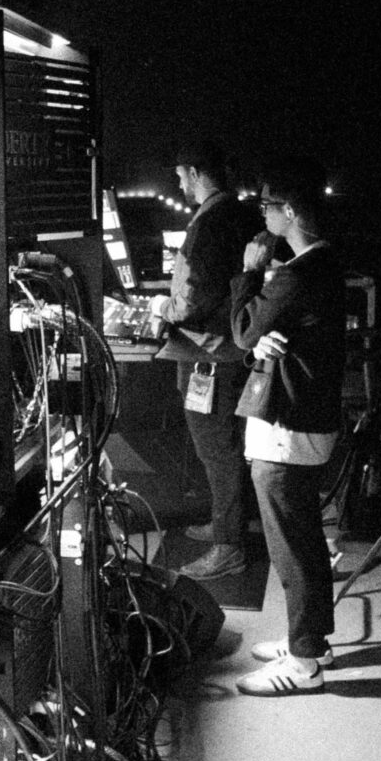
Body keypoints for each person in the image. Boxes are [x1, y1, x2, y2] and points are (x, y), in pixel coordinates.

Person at [228, 155, 347, 693]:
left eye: (267, 206)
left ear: (290, 211)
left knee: (292, 548)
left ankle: (303, 665)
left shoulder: (295, 275)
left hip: (288, 429)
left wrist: (251, 272)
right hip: (309, 421)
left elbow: (243, 330)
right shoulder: (325, 263)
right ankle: (310, 640)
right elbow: (265, 336)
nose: (262, 214)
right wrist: (265, 342)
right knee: (305, 541)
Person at [164, 140, 258, 578]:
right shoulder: (241, 213)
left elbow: (191, 299)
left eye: (180, 176)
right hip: (233, 350)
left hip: (210, 355)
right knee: (227, 448)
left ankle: (228, 546)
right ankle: (228, 525)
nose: (179, 184)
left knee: (216, 450)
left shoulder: (208, 222)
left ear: (196, 173)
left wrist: (162, 309)